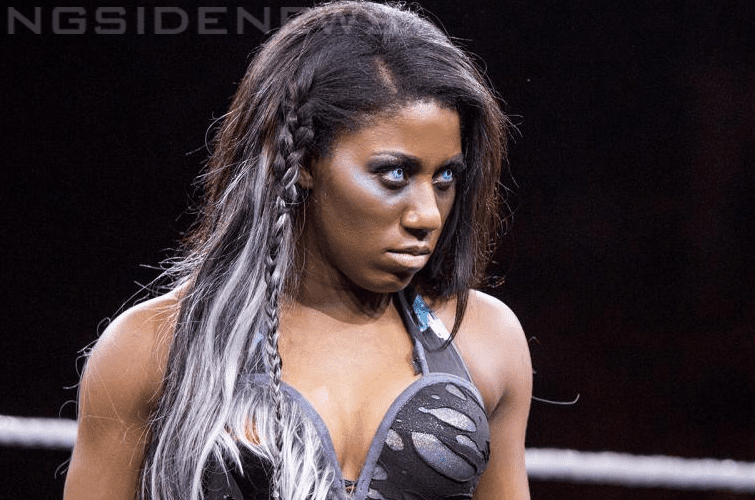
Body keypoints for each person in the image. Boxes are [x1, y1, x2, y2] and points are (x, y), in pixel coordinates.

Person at [63, 1, 532, 499]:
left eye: (445, 177)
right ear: (303, 161)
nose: (428, 215)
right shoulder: (152, 349)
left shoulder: (484, 341)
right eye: (394, 174)